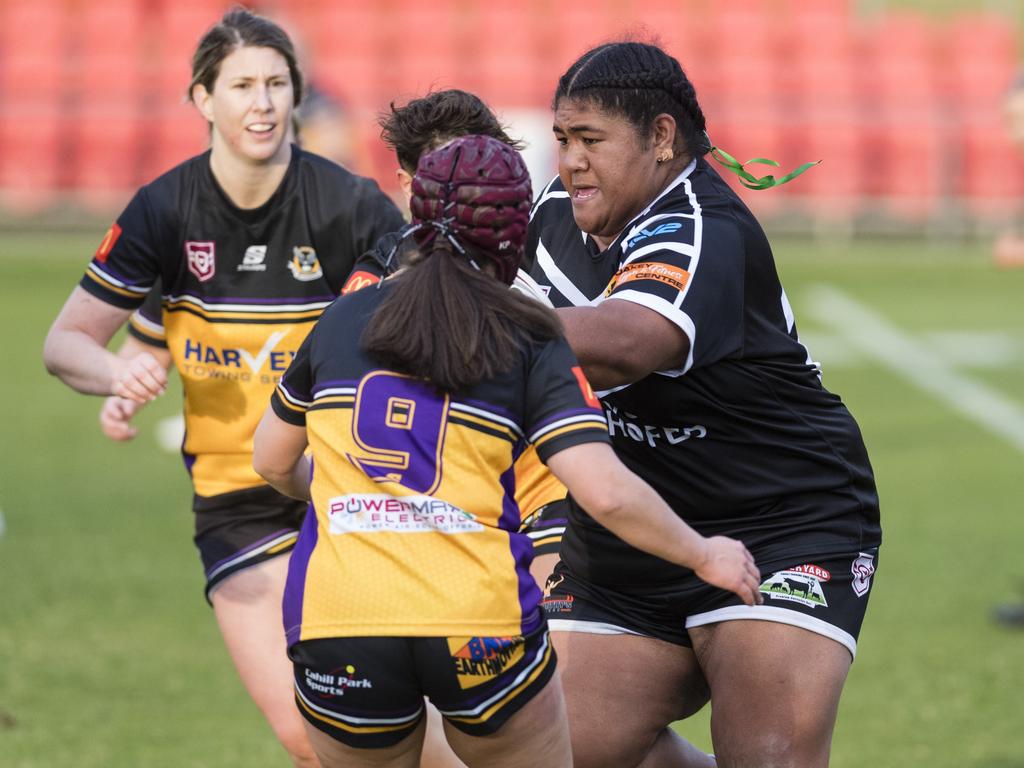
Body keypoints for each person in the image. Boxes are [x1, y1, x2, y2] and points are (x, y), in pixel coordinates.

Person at [251, 134, 761, 768]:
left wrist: (334, 492)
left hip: (339, 622)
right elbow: (604, 490)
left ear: (417, 215)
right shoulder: (528, 332)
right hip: (477, 627)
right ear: (516, 227)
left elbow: (270, 460)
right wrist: (703, 552)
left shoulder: (342, 320)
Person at [42, 10, 405, 766]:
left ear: (298, 95)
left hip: (346, 488)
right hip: (234, 502)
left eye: (277, 84)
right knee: (308, 739)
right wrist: (119, 371)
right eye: (242, 85)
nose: (263, 103)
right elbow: (65, 342)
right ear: (203, 99)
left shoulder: (349, 204)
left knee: (388, 729)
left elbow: (424, 323)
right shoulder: (164, 208)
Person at [525, 41, 883, 768]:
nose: (569, 160)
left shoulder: (702, 226)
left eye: (591, 140)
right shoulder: (554, 214)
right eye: (562, 139)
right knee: (552, 753)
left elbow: (628, 342)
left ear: (662, 138)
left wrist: (472, 315)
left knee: (769, 755)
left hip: (782, 517)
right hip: (638, 525)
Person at [343, 88, 570, 589]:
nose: (465, 189)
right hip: (438, 513)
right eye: (445, 176)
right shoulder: (375, 282)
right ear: (407, 186)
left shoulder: (559, 246)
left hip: (546, 494)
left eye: (480, 172)